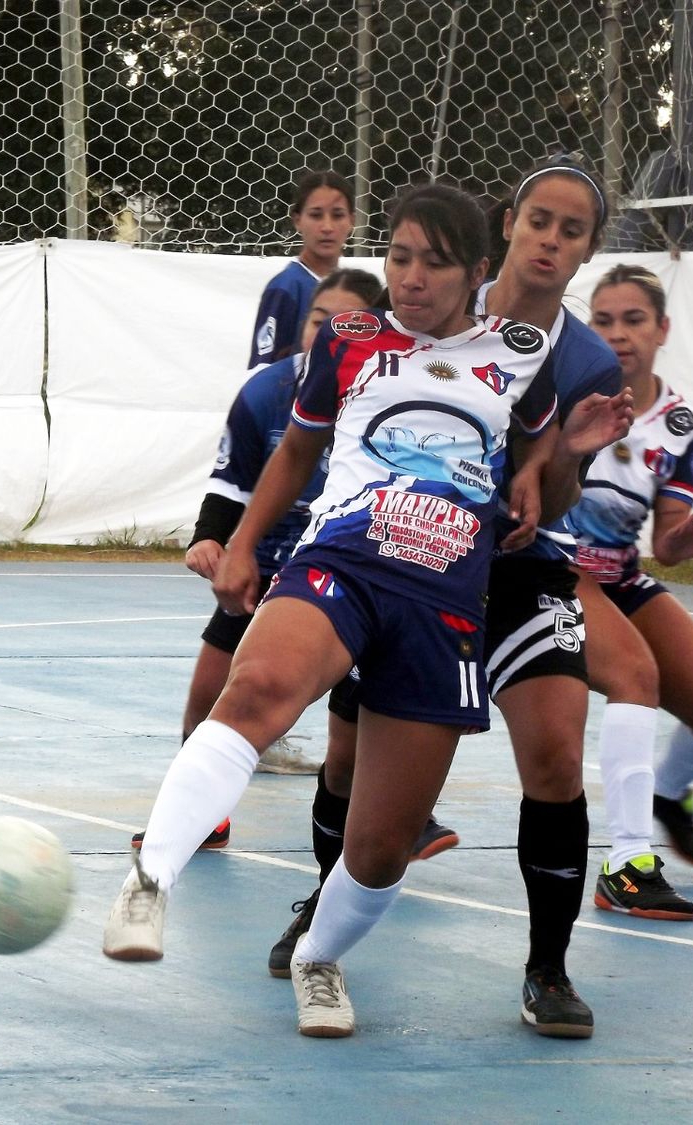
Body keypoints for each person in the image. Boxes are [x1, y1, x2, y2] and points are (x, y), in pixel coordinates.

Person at [103, 182, 627, 1039]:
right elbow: (298, 448)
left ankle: (319, 957)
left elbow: (537, 469)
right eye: (400, 256)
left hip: (447, 600)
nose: (412, 277)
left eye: (435, 262)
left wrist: (560, 455)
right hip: (342, 558)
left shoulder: (521, 356)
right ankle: (148, 881)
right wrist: (239, 542)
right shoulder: (349, 342)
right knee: (260, 688)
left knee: (382, 845)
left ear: (476, 272)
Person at [261, 156, 636, 1039]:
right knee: (350, 759)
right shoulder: (422, 308)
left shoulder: (577, 357)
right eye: (539, 220)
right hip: (403, 557)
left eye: (572, 230)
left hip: (519, 568)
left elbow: (564, 490)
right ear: (506, 226)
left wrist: (558, 472)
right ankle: (325, 905)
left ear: (587, 251)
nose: (550, 239)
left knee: (554, 751)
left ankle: (548, 966)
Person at [139, 268, 459, 854]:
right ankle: (200, 817)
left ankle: (407, 814)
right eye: (318, 319)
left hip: (353, 573)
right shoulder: (267, 391)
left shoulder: (395, 392)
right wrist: (213, 538)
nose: (328, 331)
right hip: (266, 567)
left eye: (345, 323)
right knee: (212, 690)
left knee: (359, 728)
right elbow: (230, 483)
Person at [575, 264, 693, 919]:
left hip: (621, 576)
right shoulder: (566, 394)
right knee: (635, 676)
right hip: (555, 572)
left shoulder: (678, 424)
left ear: (662, 330)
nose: (619, 334)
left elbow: (668, 527)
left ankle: (667, 793)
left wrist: (674, 545)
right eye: (605, 320)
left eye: (634, 319)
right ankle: (627, 862)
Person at [247, 171, 355, 368]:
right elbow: (261, 371)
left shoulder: (352, 292)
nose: (327, 227)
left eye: (338, 215)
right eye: (316, 215)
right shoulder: (286, 287)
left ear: (352, 221)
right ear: (297, 220)